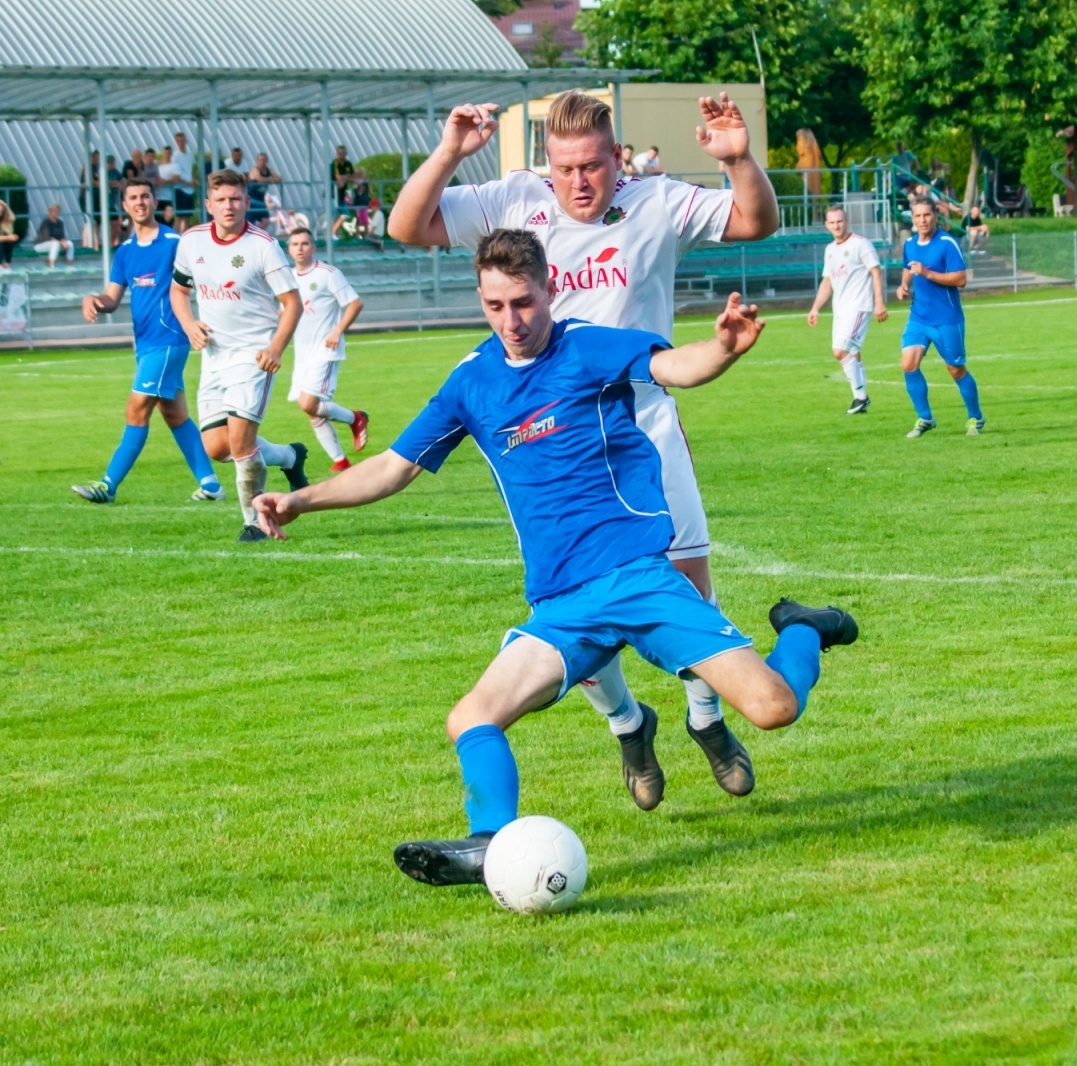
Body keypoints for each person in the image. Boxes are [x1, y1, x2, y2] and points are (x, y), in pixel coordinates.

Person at [252, 230, 858, 887]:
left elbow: (674, 367)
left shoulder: (588, 348)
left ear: (551, 290)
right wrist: (302, 501)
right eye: (494, 306)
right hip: (563, 605)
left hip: (637, 579)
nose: (510, 321)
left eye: (522, 303)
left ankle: (802, 627)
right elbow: (393, 469)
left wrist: (723, 348)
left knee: (773, 709)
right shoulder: (471, 383)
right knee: (471, 717)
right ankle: (488, 843)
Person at [388, 89, 780, 810]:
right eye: (565, 166)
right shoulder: (513, 199)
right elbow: (406, 226)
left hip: (645, 432)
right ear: (546, 163)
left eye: (593, 165)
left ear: (616, 158)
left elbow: (756, 220)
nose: (579, 181)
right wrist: (448, 152)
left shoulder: (656, 201)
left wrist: (740, 160)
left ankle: (708, 720)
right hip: (554, 447)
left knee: (690, 588)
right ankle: (629, 724)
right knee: (574, 601)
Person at [169, 169, 309, 542]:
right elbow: (178, 291)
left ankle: (255, 521)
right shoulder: (192, 241)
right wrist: (189, 325)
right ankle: (291, 457)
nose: (229, 206)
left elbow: (292, 304)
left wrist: (275, 348)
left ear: (248, 202)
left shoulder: (263, 246)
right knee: (218, 448)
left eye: (236, 199)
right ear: (209, 205)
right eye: (221, 200)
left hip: (253, 356)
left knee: (243, 445)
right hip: (213, 355)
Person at [70, 179, 226, 504]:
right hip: (145, 346)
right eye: (133, 198)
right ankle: (211, 484)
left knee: (136, 409)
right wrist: (93, 299)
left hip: (170, 340)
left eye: (145, 196)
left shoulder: (173, 242)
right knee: (175, 415)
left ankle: (108, 485)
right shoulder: (125, 252)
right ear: (124, 206)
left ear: (155, 202)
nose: (139, 202)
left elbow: (203, 279)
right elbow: (112, 298)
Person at [896, 196, 984, 437]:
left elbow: (961, 279)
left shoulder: (946, 243)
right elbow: (908, 267)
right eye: (917, 216)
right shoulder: (910, 244)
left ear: (935, 215)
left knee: (956, 370)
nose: (922, 220)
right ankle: (925, 418)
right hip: (918, 318)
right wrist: (903, 285)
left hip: (946, 318)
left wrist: (928, 273)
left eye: (927, 215)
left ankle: (975, 417)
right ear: (912, 219)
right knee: (908, 364)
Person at [285, 226, 368, 470]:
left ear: (313, 247)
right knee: (312, 412)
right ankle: (340, 460)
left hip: (325, 349)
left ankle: (355, 418)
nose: (300, 248)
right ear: (289, 250)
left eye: (304, 243)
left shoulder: (328, 273)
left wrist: (338, 329)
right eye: (295, 244)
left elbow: (355, 303)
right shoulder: (287, 278)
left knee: (308, 403)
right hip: (302, 352)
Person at [808, 205, 887, 415]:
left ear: (846, 221)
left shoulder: (861, 244)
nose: (836, 226)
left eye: (839, 221)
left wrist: (879, 302)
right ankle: (858, 400)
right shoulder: (830, 249)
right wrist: (815, 308)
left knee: (839, 351)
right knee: (853, 353)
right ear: (826, 225)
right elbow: (827, 282)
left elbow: (876, 272)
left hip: (859, 306)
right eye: (832, 222)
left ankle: (861, 397)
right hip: (840, 310)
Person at [171, 132, 196, 216]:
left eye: (182, 140)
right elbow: (174, 174)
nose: (181, 143)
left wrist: (193, 180)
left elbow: (191, 169)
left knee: (187, 216)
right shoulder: (174, 156)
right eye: (179, 141)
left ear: (186, 141)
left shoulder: (190, 154)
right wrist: (186, 181)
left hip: (190, 189)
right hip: (179, 188)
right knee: (180, 217)